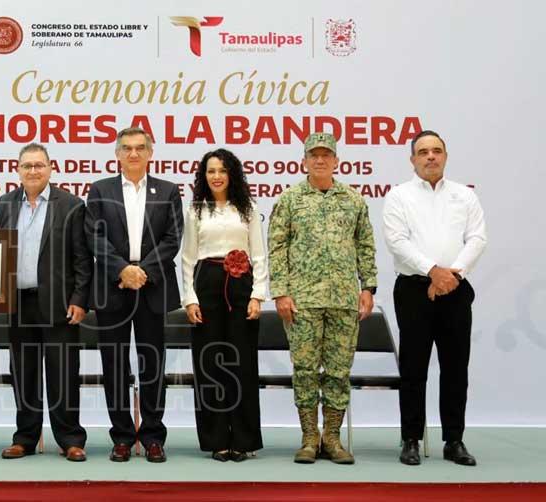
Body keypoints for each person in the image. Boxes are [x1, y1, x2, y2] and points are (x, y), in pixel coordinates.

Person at [268, 132, 377, 465]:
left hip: (344, 299)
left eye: (325, 155)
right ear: (304, 161)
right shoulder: (290, 199)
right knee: (304, 370)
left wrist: (368, 287)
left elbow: (365, 245)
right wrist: (281, 291)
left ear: (336, 161)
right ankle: (308, 438)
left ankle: (332, 437)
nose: (320, 160)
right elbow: (277, 247)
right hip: (302, 301)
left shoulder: (353, 200)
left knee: (338, 371)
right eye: (313, 155)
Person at [383, 130, 487, 466]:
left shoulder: (464, 196)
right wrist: (432, 271)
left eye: (437, 151)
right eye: (423, 151)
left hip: (455, 288)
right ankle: (411, 439)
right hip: (414, 290)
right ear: (412, 159)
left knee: (456, 368)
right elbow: (397, 242)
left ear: (445, 156)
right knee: (413, 368)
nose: (431, 156)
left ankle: (454, 440)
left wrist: (450, 275)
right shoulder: (398, 196)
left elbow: (477, 239)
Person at [84, 127, 184, 462]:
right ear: (117, 154)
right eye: (126, 148)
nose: (133, 154)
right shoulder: (101, 189)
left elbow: (173, 237)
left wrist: (143, 272)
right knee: (113, 365)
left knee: (152, 365)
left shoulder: (167, 191)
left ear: (150, 153)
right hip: (113, 287)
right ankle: (122, 437)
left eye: (140, 148)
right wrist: (122, 270)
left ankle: (153, 436)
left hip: (152, 287)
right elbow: (94, 236)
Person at [0, 143, 91, 462]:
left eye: (39, 165)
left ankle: (70, 439)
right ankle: (25, 438)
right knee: (24, 374)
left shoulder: (72, 205)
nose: (33, 171)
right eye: (27, 166)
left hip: (60, 305)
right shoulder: (5, 204)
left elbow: (82, 258)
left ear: (50, 168)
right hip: (18, 303)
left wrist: (80, 299)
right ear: (17, 170)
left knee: (63, 374)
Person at [181, 149, 267, 462]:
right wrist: (190, 298)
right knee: (210, 364)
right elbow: (188, 258)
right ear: (203, 176)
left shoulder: (248, 208)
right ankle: (216, 439)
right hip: (206, 285)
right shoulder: (196, 210)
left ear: (232, 174)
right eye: (211, 171)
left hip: (242, 286)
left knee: (242, 364)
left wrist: (257, 294)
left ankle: (244, 440)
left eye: (222, 170)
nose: (216, 176)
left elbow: (259, 255)